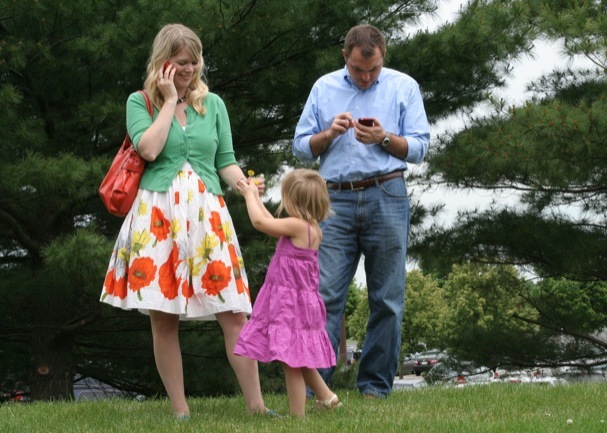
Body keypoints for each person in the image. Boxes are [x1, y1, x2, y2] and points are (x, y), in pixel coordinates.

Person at [100, 23, 274, 420]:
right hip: (158, 216)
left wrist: (245, 186)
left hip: (206, 214)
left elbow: (225, 161)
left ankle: (257, 406)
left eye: (195, 62)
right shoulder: (140, 102)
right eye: (181, 62)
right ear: (163, 62)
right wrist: (167, 101)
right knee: (164, 317)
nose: (190, 69)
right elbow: (149, 148)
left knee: (234, 311)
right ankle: (181, 410)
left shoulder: (213, 105)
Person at [292, 25, 431, 398]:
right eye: (357, 69)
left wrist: (382, 138)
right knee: (324, 295)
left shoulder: (404, 87)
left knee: (387, 297)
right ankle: (317, 388)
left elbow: (419, 148)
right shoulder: (324, 87)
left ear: (383, 57)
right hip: (333, 199)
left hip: (387, 191)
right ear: (345, 57)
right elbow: (301, 147)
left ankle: (374, 386)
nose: (366, 77)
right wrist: (328, 135)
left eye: (373, 69)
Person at [233, 169, 342, 417]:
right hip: (301, 304)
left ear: (295, 201)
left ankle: (297, 416)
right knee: (299, 356)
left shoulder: (297, 226)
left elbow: (261, 223)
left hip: (290, 304)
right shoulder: (311, 227)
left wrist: (249, 195)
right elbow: (271, 221)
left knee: (291, 361)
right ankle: (327, 397)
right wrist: (255, 197)